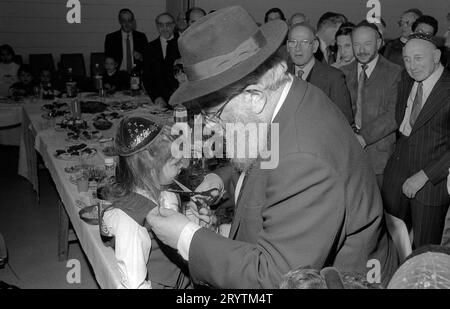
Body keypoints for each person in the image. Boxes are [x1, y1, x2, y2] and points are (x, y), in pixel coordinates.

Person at [146, 6, 398, 288]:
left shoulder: (305, 159)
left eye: (213, 115)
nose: (209, 128)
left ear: (253, 97)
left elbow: (273, 278)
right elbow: (268, 157)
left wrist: (186, 236)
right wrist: (222, 180)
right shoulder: (286, 97)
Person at [99, 116, 194, 289]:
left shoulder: (164, 187)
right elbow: (134, 282)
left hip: (184, 277)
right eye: (175, 163)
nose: (184, 166)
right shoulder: (130, 221)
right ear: (150, 169)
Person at [382, 33, 450, 249]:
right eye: (407, 59)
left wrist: (425, 176)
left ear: (436, 56)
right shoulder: (405, 80)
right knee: (392, 243)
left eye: (418, 58)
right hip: (396, 176)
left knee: (424, 250)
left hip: (430, 184)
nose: (412, 66)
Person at [340, 21, 401, 187]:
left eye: (367, 44)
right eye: (356, 44)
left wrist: (362, 137)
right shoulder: (342, 73)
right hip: (347, 157)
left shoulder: (395, 73)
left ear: (379, 44)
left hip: (380, 160)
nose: (361, 50)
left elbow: (394, 114)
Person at [286, 22, 353, 124]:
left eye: (304, 42)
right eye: (293, 42)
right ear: (287, 46)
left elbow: (344, 119)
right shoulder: (279, 76)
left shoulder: (333, 77)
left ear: (315, 46)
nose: (298, 48)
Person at [143, 12, 180, 108]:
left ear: (173, 25)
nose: (164, 28)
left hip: (181, 98)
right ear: (157, 26)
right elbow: (147, 78)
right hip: (160, 100)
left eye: (168, 25)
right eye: (161, 25)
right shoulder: (149, 48)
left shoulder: (182, 44)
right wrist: (156, 97)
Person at [104, 8, 148, 73]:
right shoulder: (111, 38)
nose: (127, 24)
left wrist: (141, 57)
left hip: (136, 74)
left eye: (129, 20)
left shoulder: (141, 37)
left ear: (133, 21)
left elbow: (148, 59)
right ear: (120, 21)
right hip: (118, 75)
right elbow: (108, 61)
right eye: (124, 21)